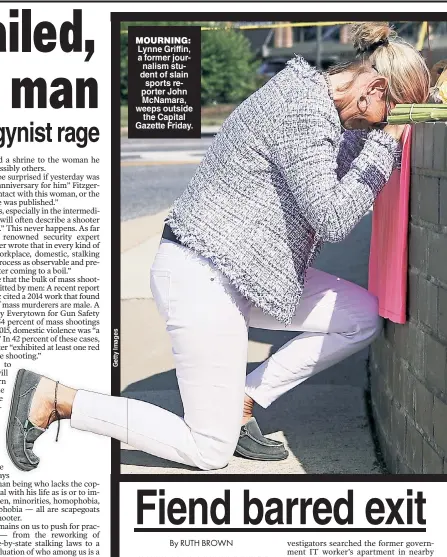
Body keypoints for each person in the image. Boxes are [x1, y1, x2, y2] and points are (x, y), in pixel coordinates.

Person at [7, 22, 430, 472]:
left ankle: (243, 400)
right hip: (203, 276)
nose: (383, 126)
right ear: (375, 88)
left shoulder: (323, 107)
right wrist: (385, 144)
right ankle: (58, 399)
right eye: (389, 114)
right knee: (209, 450)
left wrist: (397, 127)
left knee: (358, 315)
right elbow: (333, 216)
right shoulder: (303, 111)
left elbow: (343, 176)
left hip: (247, 276)